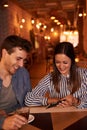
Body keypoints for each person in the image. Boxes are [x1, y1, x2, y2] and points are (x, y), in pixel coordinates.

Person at [25, 41, 87, 109]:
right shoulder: (50, 78)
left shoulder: (84, 75)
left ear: (72, 61)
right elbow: (28, 100)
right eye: (57, 62)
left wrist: (76, 101)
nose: (61, 66)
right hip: (57, 116)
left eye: (65, 62)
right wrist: (52, 100)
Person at [0, 35, 32, 130]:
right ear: (5, 53)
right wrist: (2, 122)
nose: (21, 65)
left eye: (23, 60)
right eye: (18, 59)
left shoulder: (23, 73)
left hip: (18, 122)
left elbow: (27, 101)